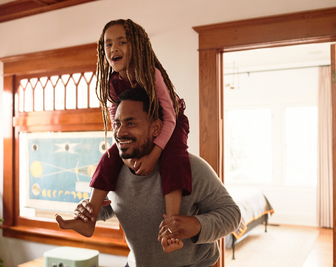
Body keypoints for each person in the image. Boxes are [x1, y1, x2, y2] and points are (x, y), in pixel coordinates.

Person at [56, 88, 241, 266]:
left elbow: (232, 215)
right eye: (118, 124)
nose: (120, 133)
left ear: (155, 128)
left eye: (130, 123)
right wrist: (88, 210)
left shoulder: (191, 168)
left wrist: (195, 225)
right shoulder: (110, 171)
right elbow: (114, 207)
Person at [92, 18, 191, 253]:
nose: (113, 49)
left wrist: (155, 153)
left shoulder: (150, 73)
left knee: (174, 158)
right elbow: (116, 121)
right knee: (108, 158)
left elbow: (170, 116)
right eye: (107, 44)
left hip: (171, 122)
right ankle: (89, 215)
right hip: (136, 129)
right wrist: (123, 154)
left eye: (121, 42)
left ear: (136, 45)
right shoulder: (111, 83)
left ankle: (171, 228)